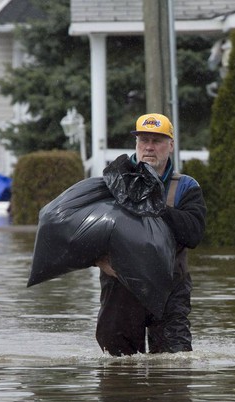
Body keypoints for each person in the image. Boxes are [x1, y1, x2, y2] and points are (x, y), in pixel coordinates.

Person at [94, 113, 207, 356]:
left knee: (174, 368)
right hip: (120, 290)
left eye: (157, 141)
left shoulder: (186, 186)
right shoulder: (112, 183)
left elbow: (194, 234)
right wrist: (100, 260)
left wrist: (157, 208)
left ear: (171, 145)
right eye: (143, 140)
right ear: (136, 144)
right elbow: (84, 232)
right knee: (117, 371)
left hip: (170, 290)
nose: (149, 147)